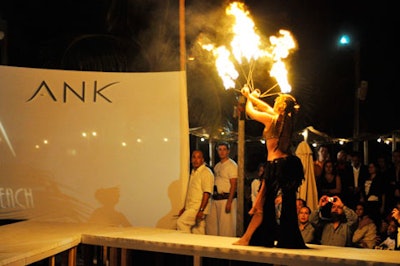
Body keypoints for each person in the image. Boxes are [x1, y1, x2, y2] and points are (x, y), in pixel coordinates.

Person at [233, 87, 306, 249]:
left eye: (277, 102)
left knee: (263, 203)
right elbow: (265, 107)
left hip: (276, 166)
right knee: (281, 203)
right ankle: (285, 239)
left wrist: (247, 98)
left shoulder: (272, 119)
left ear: (280, 107)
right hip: (289, 164)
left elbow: (251, 112)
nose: (274, 102)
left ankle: (252, 238)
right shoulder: (284, 119)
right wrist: (252, 96)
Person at [177, 150, 214, 234]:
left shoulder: (206, 172)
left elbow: (207, 193)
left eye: (198, 157)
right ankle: (199, 246)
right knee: (198, 230)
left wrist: (201, 210)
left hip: (197, 207)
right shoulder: (194, 172)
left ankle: (186, 245)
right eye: (194, 157)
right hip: (192, 206)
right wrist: (185, 208)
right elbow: (192, 192)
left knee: (181, 222)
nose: (195, 160)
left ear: (203, 159)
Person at [206, 142, 238, 236]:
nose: (222, 152)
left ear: (228, 151)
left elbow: (234, 185)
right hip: (216, 198)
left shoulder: (232, 165)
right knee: (214, 227)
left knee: (226, 227)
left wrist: (229, 202)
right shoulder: (217, 165)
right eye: (220, 149)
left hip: (226, 198)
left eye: (224, 149)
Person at [359, 162, 386, 228]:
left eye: (372, 167)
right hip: (366, 202)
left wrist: (382, 205)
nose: (370, 169)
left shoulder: (380, 179)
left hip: (375, 203)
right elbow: (362, 189)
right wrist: (362, 197)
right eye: (369, 167)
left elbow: (382, 193)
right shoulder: (366, 178)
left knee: (375, 220)